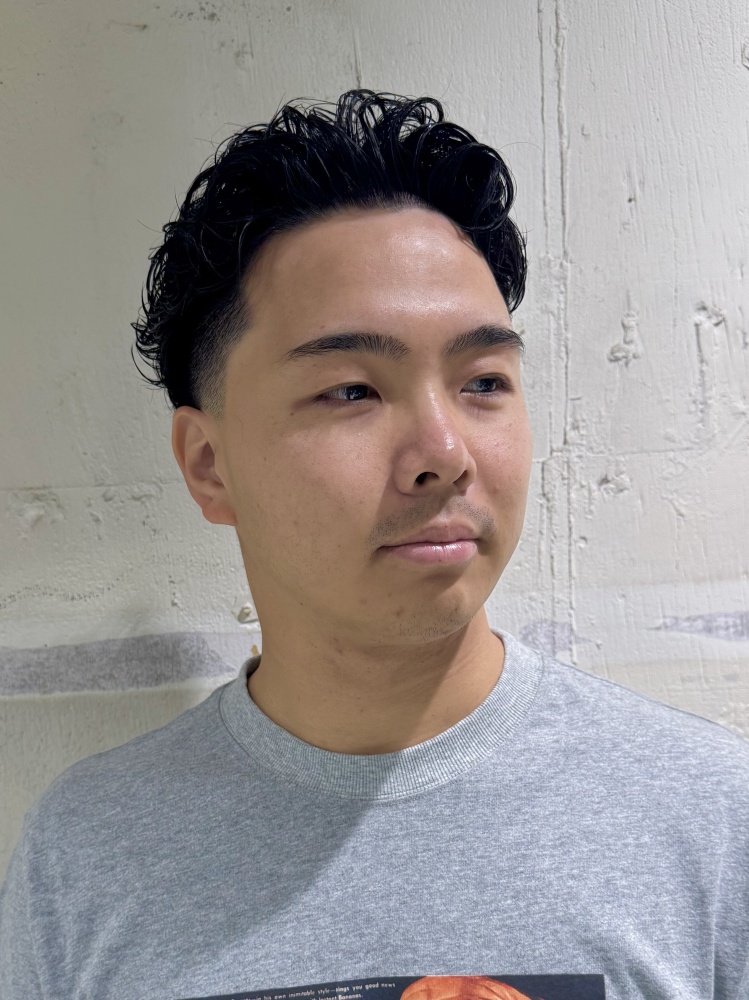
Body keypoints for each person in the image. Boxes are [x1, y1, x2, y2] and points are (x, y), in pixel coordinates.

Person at [0, 89, 747, 1000]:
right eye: (352, 390)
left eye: (482, 382)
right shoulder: (88, 854)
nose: (444, 452)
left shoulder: (710, 819)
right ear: (208, 464)